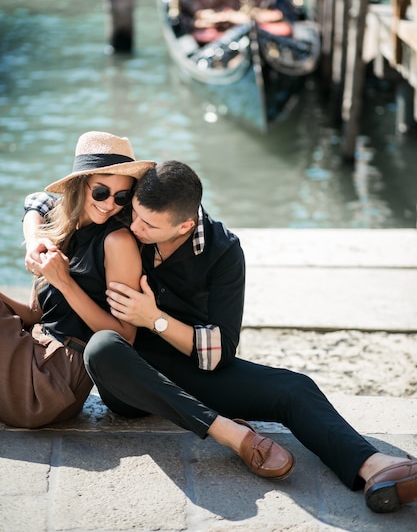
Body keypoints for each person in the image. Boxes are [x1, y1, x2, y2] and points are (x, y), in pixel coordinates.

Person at [24, 161, 417, 514]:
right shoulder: (134, 208)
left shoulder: (223, 252)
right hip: (127, 374)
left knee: (294, 387)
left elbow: (221, 351)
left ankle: (374, 467)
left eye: (147, 225)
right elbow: (45, 200)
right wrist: (33, 243)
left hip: (191, 364)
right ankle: (231, 433)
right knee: (104, 349)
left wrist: (155, 318)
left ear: (184, 225)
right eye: (134, 214)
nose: (131, 225)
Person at [0, 131, 154, 428]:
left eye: (121, 197)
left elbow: (124, 337)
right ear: (79, 185)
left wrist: (64, 282)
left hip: (56, 379)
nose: (110, 204)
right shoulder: (63, 228)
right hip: (36, 349)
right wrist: (34, 242)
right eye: (101, 192)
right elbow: (37, 315)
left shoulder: (117, 242)